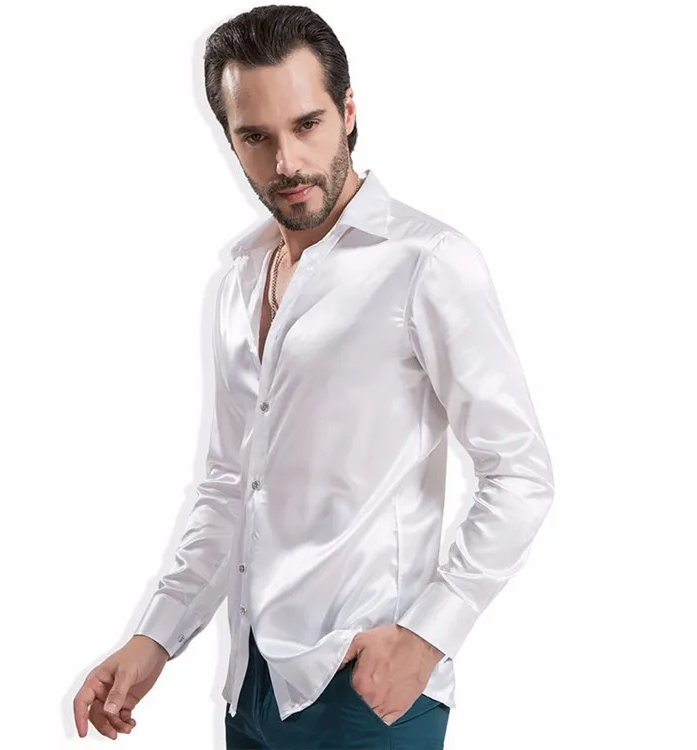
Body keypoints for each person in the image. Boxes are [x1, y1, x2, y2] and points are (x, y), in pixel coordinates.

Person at [73, 5, 555, 748]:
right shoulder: (238, 281)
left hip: (368, 689)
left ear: (349, 112)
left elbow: (520, 473)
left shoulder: (427, 263)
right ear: (230, 139)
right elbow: (230, 484)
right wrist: (156, 637)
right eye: (256, 137)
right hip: (251, 689)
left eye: (307, 125)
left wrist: (429, 635)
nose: (286, 163)